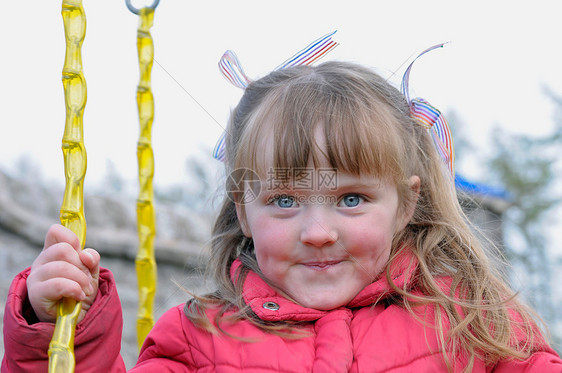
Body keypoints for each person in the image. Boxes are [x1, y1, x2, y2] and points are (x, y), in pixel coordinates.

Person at [3, 39, 562, 372]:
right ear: (244, 210)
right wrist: (58, 334)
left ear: (406, 203)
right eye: (285, 200)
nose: (318, 231)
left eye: (350, 198)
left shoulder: (473, 324)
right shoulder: (199, 341)